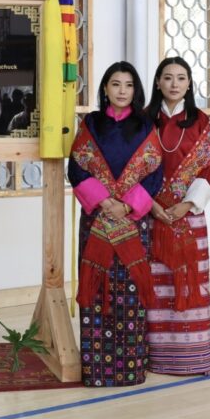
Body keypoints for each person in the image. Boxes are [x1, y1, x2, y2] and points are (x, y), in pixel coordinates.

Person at [68, 61, 163, 387]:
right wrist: (104, 201)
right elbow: (77, 169)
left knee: (131, 293)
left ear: (136, 90)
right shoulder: (90, 124)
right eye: (115, 84)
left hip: (132, 222)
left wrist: (126, 205)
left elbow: (154, 174)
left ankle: (131, 368)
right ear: (105, 88)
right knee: (95, 289)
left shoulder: (146, 125)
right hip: (97, 217)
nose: (122, 91)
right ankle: (96, 371)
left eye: (128, 85)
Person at [145, 57, 210, 375]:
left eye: (181, 78)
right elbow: (132, 169)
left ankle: (193, 358)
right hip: (151, 216)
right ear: (158, 82)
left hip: (188, 216)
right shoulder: (144, 120)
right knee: (155, 286)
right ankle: (157, 357)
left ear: (189, 84)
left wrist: (187, 205)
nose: (174, 84)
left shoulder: (200, 121)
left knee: (190, 283)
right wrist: (151, 205)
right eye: (168, 77)